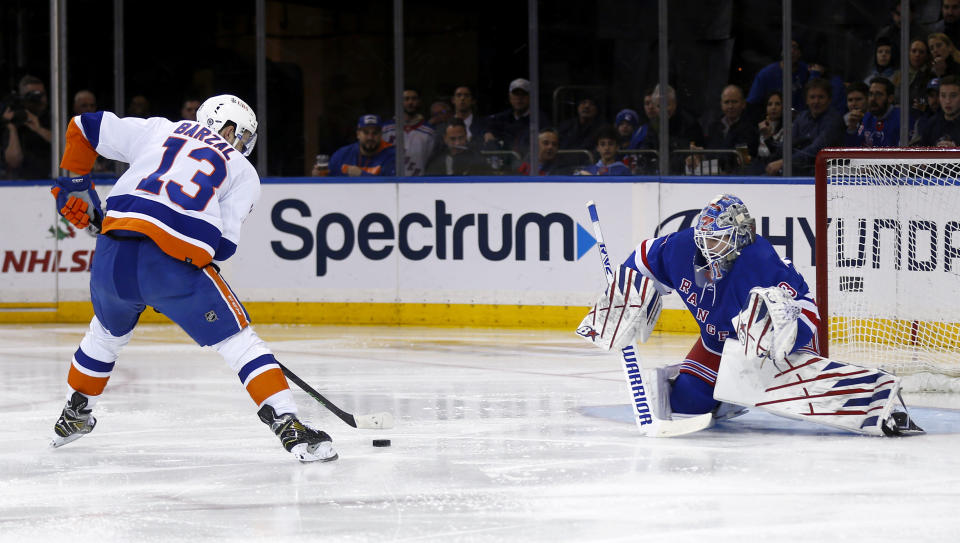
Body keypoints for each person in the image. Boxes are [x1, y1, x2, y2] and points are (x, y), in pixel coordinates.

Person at [47, 94, 338, 462]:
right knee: (240, 343)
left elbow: (84, 127)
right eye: (243, 135)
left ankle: (75, 412)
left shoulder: (160, 129)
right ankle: (288, 425)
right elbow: (224, 248)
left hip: (111, 256)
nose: (244, 144)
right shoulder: (243, 171)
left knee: (104, 334)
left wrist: (75, 182)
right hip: (173, 267)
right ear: (227, 127)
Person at [578, 194, 922, 436]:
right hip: (718, 344)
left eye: (716, 241)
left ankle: (877, 403)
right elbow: (642, 258)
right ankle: (727, 396)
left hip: (775, 346)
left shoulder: (759, 262)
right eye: (704, 239)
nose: (706, 248)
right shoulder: (684, 247)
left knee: (766, 318)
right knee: (684, 403)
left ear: (739, 237)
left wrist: (782, 336)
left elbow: (808, 314)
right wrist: (623, 295)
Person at [764, 78, 843, 176]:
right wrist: (768, 139)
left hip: (827, 176)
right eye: (812, 97)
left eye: (821, 97)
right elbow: (788, 146)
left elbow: (815, 151)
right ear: (806, 100)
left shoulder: (834, 120)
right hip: (799, 172)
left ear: (829, 99)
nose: (816, 101)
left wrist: (784, 162)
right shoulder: (802, 118)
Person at [693, 84, 757, 173]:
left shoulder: (750, 128)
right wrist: (700, 155)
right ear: (721, 104)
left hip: (735, 177)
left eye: (734, 102)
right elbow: (710, 152)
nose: (730, 106)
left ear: (743, 104)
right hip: (712, 173)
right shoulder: (713, 127)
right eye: (726, 102)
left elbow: (743, 158)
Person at [746, 39, 810, 119]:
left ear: (800, 53)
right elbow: (752, 104)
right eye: (787, 47)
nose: (791, 51)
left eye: (795, 47)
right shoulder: (766, 74)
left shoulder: (806, 70)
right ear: (781, 52)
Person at [383, 89, 435, 176]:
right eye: (406, 99)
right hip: (391, 181)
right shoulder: (386, 129)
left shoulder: (429, 131)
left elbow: (430, 160)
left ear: (419, 102)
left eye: (414, 99)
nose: (410, 102)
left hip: (419, 181)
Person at [328, 114, 397, 177]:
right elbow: (329, 178)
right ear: (358, 134)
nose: (370, 137)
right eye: (366, 133)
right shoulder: (342, 154)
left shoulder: (391, 155)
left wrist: (361, 174)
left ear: (381, 135)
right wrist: (319, 175)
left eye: (375, 133)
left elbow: (389, 185)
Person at [845, 77, 901, 147]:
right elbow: (855, 147)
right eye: (871, 94)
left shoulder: (901, 118)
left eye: (878, 94)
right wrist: (852, 128)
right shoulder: (867, 117)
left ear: (890, 98)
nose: (873, 99)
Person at [423, 119, 491, 176]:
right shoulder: (436, 161)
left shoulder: (478, 159)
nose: (457, 143)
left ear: (466, 136)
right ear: (445, 139)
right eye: (453, 139)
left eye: (461, 138)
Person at [918, 74, 960, 145]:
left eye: (953, 96)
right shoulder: (931, 125)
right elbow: (922, 153)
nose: (947, 101)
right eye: (943, 96)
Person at [753, 91, 784, 174]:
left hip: (776, 170)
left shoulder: (789, 128)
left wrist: (768, 136)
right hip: (758, 167)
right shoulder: (759, 126)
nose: (773, 107)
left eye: (777, 104)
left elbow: (779, 154)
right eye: (770, 104)